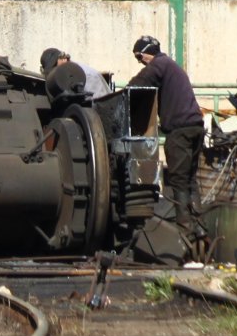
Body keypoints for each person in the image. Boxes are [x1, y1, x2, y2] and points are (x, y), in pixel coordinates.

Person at [126, 35, 206, 235]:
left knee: (178, 181)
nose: (139, 62)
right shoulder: (172, 65)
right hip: (195, 127)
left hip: (180, 131)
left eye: (139, 57)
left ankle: (184, 233)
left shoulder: (159, 65)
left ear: (145, 53)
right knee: (190, 180)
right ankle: (200, 229)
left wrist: (123, 95)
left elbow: (137, 85)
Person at [40, 47, 112, 99]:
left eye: (55, 66)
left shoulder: (88, 76)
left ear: (63, 59)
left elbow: (98, 106)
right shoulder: (68, 76)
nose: (54, 73)